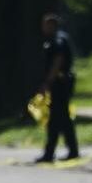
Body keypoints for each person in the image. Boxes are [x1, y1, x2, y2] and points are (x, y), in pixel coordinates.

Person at [35, 13, 78, 163]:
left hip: (60, 83)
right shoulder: (57, 39)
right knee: (62, 119)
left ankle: (51, 153)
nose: (43, 28)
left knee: (57, 119)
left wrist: (47, 82)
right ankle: (70, 150)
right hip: (60, 83)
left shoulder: (57, 40)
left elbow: (58, 60)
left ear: (52, 25)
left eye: (46, 25)